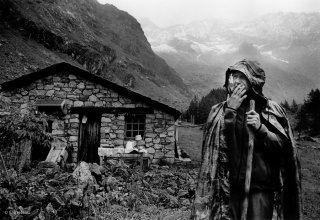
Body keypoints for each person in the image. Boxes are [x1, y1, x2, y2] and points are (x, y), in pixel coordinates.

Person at [190, 59, 302, 220]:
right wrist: (230, 111)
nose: (235, 81)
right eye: (232, 76)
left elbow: (283, 148)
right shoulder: (220, 111)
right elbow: (219, 146)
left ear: (253, 80)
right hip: (230, 190)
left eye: (240, 76)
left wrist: (261, 129)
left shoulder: (270, 110)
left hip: (260, 190)